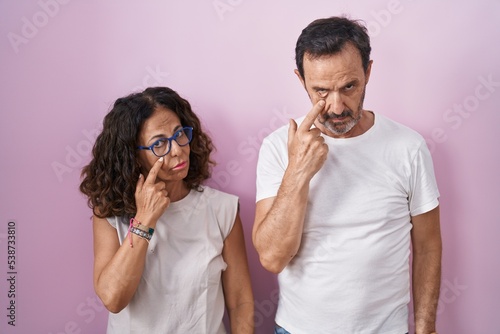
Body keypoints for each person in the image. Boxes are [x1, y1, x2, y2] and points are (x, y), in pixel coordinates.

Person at [253, 16, 441, 334]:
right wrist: (298, 170)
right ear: (301, 80)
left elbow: (428, 246)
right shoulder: (277, 147)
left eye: (349, 87)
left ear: (368, 72)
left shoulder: (408, 147)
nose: (337, 107)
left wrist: (426, 327)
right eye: (321, 91)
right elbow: (272, 258)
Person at [80, 87, 254, 333]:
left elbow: (240, 302)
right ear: (133, 156)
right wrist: (144, 219)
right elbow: (113, 299)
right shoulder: (110, 215)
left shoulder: (222, 210)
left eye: (179, 134)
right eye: (159, 143)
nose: (177, 149)